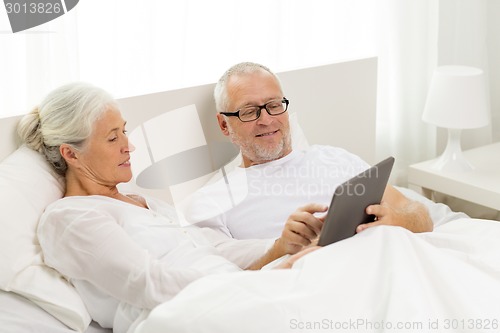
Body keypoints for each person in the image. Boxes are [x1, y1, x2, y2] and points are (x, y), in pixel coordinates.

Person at [17, 82, 317, 333]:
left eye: (124, 131)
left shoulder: (144, 204)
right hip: (188, 317)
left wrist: (282, 245)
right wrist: (255, 283)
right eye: (112, 138)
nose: (129, 146)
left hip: (234, 296)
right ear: (71, 153)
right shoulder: (71, 218)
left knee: (345, 254)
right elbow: (147, 283)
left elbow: (211, 250)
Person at [183, 61, 443, 245]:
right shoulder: (211, 201)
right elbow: (217, 278)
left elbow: (419, 215)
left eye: (274, 105)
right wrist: (280, 247)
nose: (266, 120)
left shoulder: (335, 159)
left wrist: (398, 220)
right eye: (249, 111)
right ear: (224, 125)